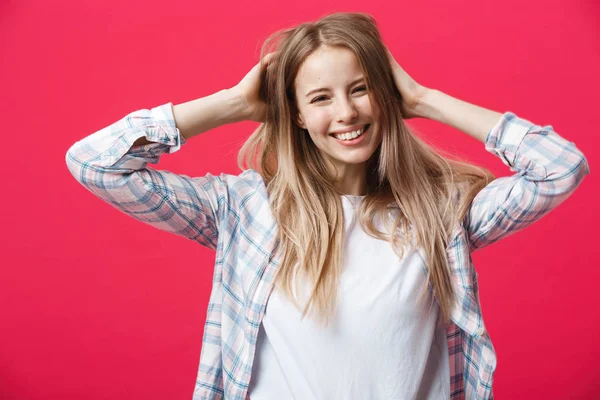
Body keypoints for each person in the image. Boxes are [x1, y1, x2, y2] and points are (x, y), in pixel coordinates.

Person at [65, 12, 589, 400]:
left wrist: (425, 99)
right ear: (293, 114)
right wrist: (234, 103)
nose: (346, 112)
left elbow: (561, 168)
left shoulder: (439, 212)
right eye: (320, 98)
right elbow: (95, 165)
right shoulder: (244, 210)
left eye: (361, 90)